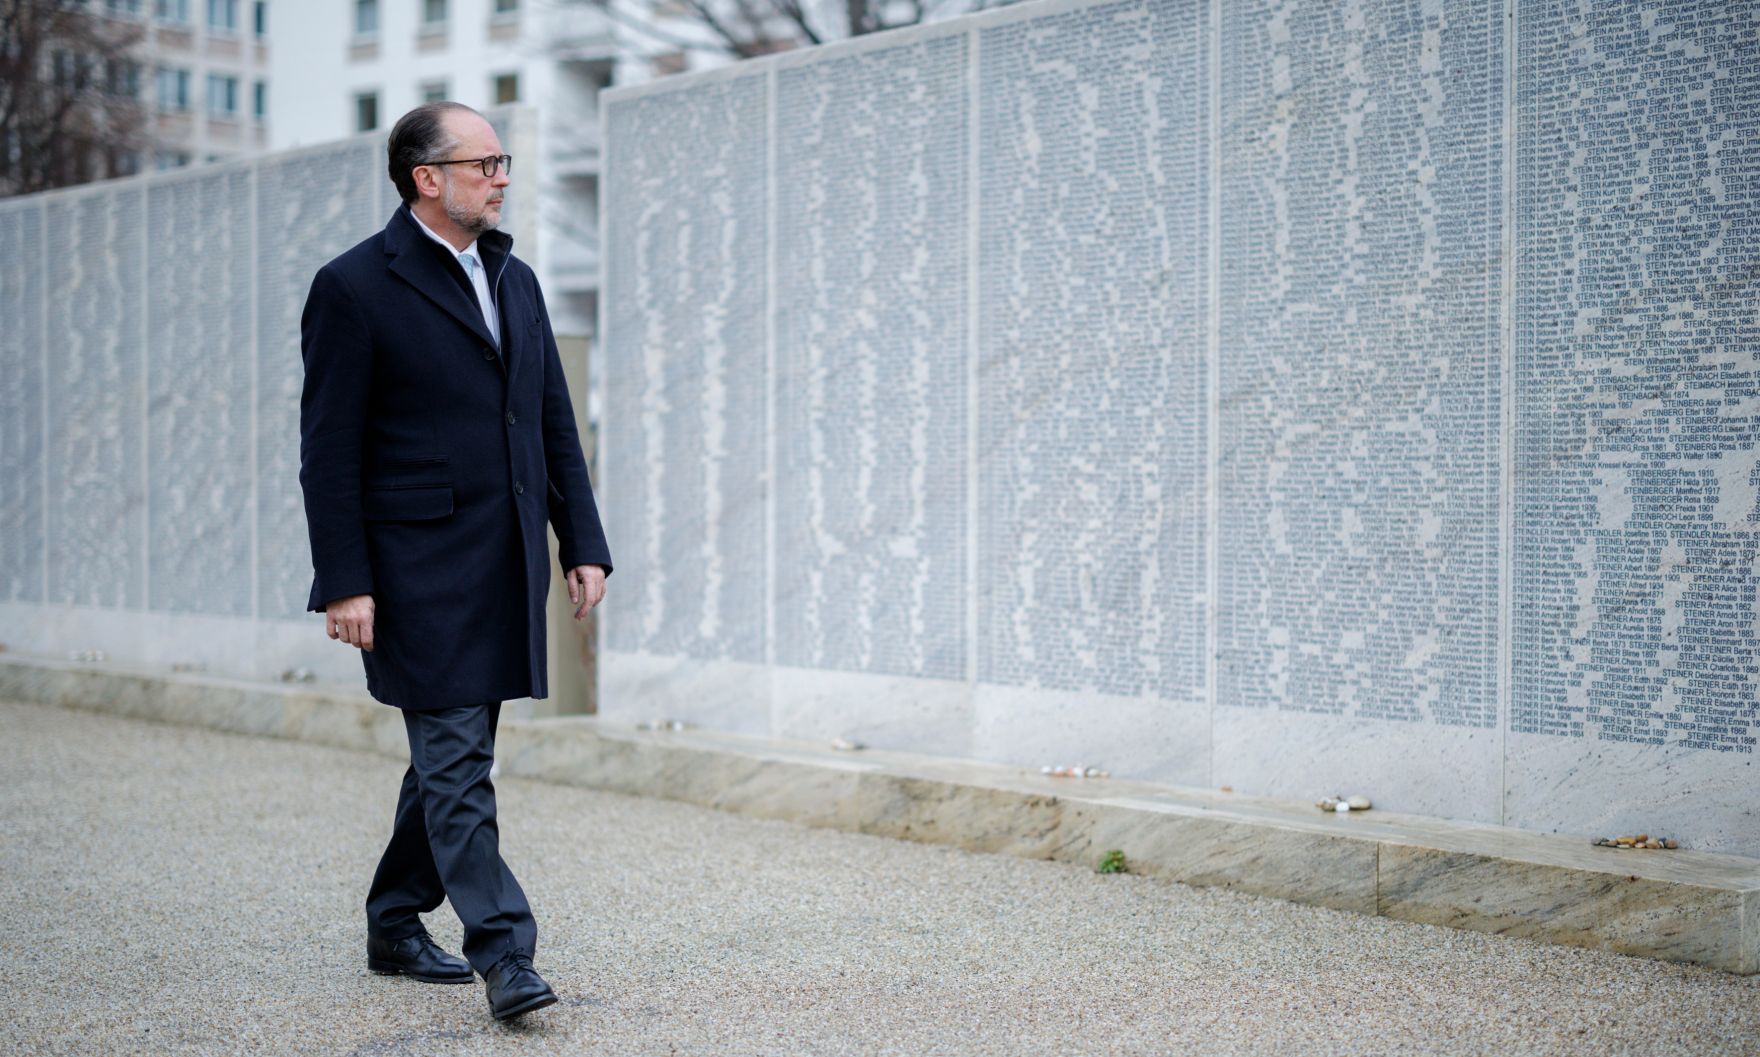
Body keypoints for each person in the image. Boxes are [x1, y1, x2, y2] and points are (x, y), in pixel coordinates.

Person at [297, 101, 611, 1022]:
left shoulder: (515, 277)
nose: (502, 177)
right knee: (458, 761)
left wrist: (582, 542)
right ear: (425, 177)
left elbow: (551, 421)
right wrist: (345, 579)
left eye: (503, 162)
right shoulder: (353, 286)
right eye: (484, 164)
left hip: (503, 558)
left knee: (449, 759)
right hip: (413, 572)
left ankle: (394, 919)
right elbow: (328, 450)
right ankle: (505, 951)